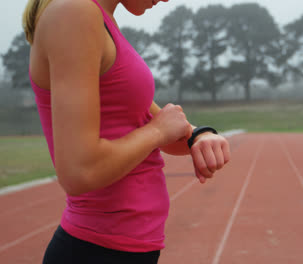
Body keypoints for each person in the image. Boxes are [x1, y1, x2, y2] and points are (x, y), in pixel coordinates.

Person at [23, 0, 231, 263]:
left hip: (125, 249)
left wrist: (201, 135)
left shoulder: (99, 20)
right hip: (98, 250)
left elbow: (170, 128)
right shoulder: (74, 12)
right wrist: (157, 132)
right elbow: (80, 171)